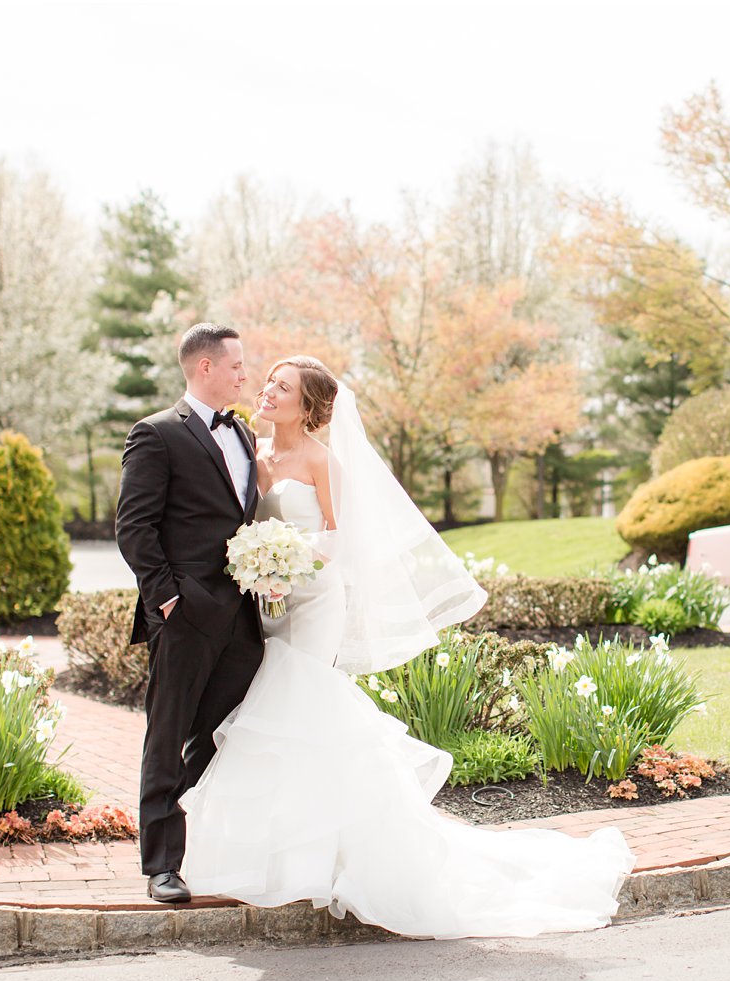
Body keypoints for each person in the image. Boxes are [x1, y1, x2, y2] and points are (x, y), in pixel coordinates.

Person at [179, 355, 635, 938]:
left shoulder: (323, 460)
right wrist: (257, 563)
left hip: (313, 603)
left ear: (311, 406)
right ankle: (279, 855)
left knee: (297, 706)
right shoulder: (249, 453)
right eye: (268, 381)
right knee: (272, 716)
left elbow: (342, 541)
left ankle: (327, 861)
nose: (267, 390)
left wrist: (286, 558)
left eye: (282, 386)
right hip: (266, 603)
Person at [115, 323, 263, 903]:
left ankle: (203, 837)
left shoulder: (245, 435)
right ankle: (162, 865)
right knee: (168, 734)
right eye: (235, 366)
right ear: (205, 367)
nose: (244, 375)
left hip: (244, 619)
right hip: (183, 617)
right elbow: (134, 527)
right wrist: (168, 599)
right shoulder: (155, 434)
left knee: (224, 733)